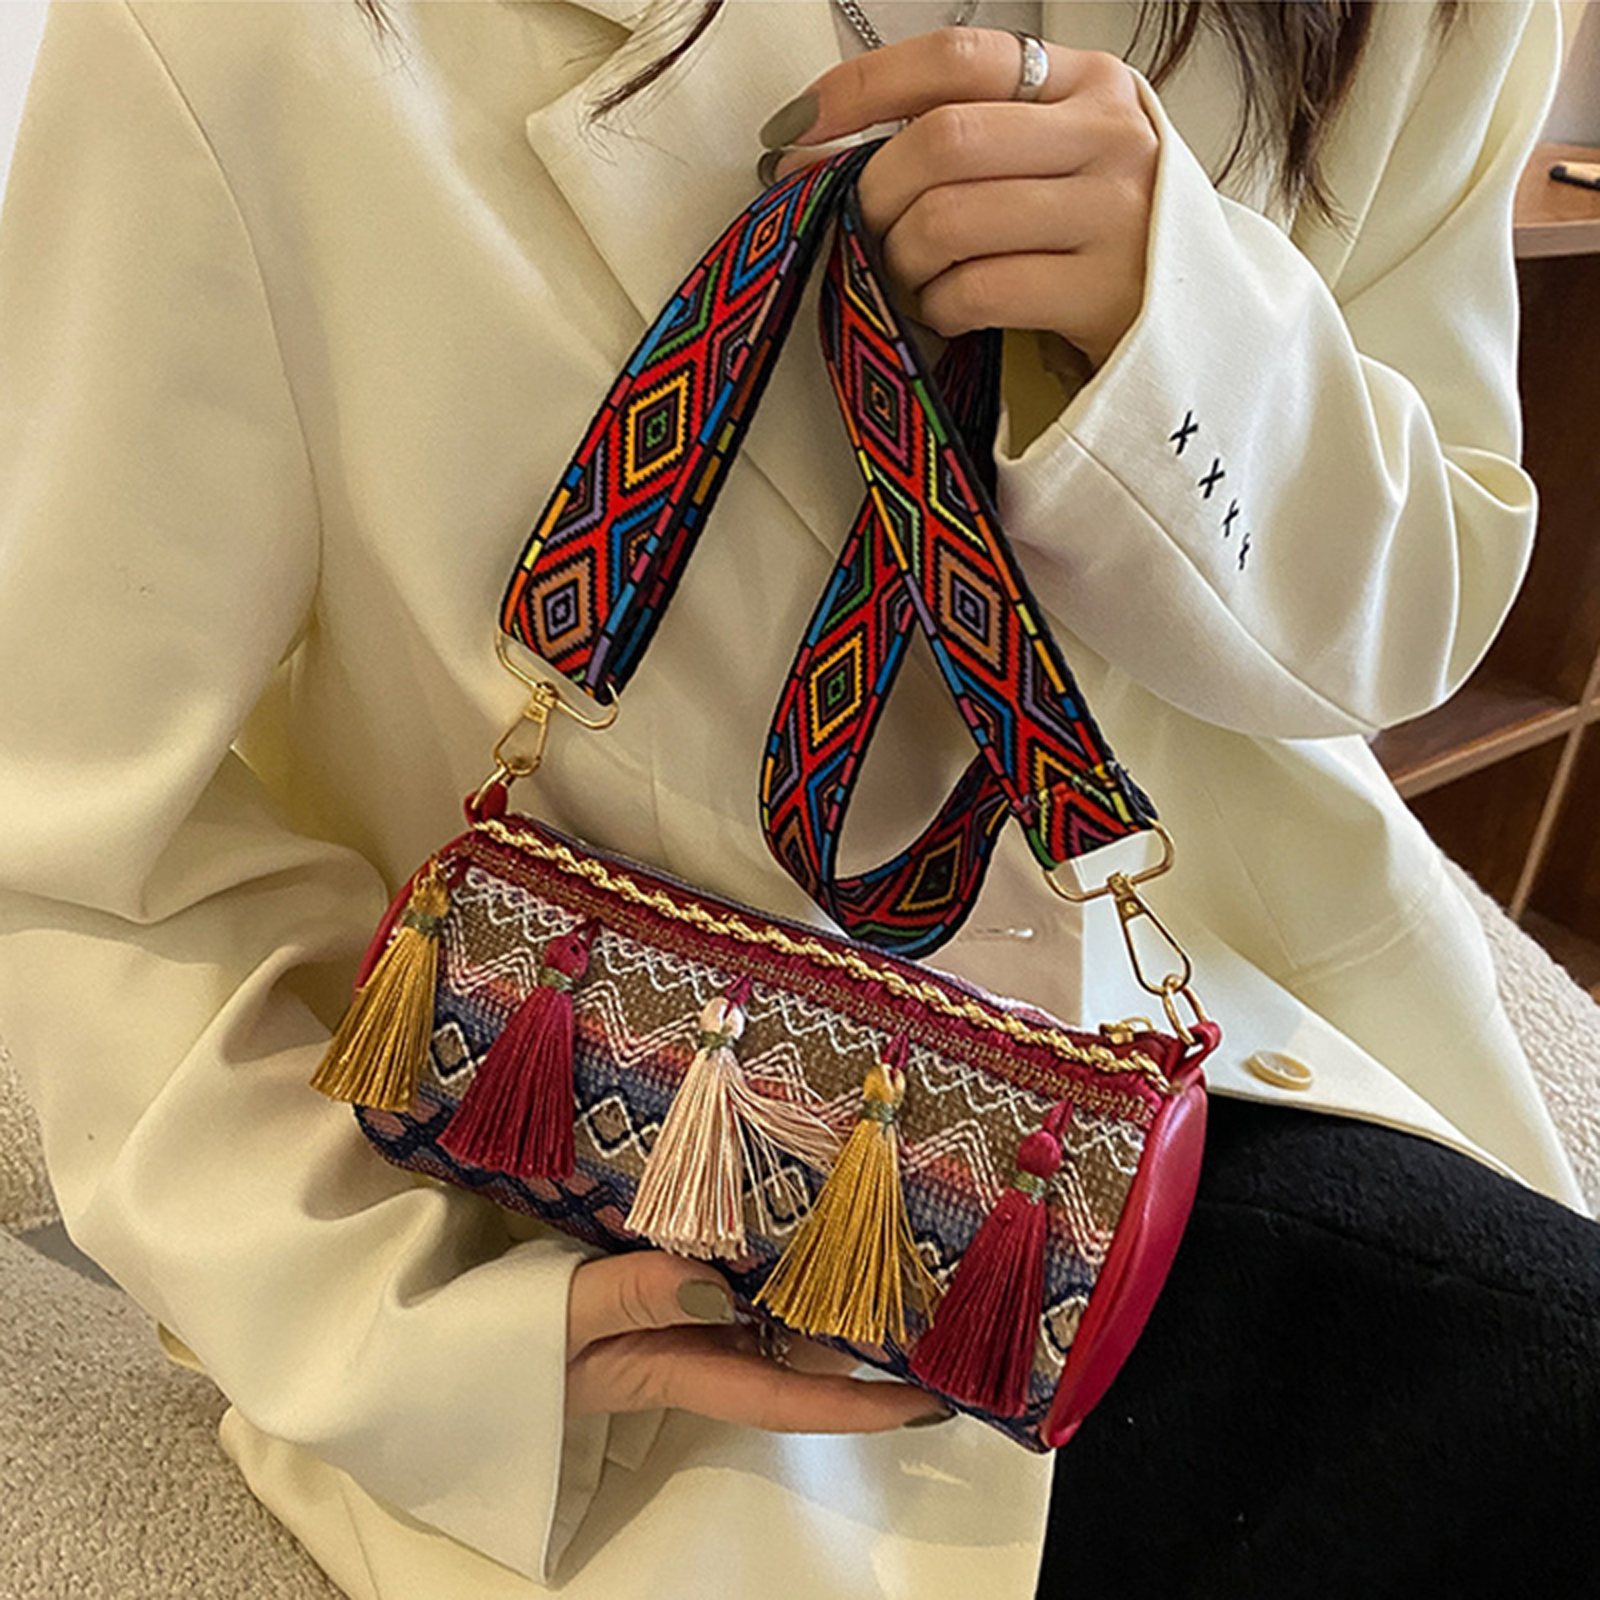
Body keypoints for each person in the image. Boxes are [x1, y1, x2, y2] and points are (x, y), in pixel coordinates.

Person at [1, 1, 1596, 1596]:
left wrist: (1186, 328)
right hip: (641, 1239)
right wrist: (410, 1311)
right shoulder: (242, 36)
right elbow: (72, 831)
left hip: (1243, 1059)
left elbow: (1414, 618)